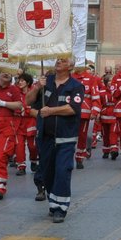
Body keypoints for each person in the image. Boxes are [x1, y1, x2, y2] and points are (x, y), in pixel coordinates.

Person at [33, 55, 84, 221]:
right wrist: (36, 88)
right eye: (58, 59)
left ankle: (60, 209)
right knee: (47, 172)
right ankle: (53, 202)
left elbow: (73, 109)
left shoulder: (76, 86)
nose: (59, 61)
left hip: (65, 139)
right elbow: (28, 101)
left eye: (63, 60)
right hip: (45, 137)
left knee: (62, 171)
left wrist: (51, 111)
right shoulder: (45, 81)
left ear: (70, 66)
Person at [0, 71, 25, 200]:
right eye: (3, 71)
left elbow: (19, 105)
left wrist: (3, 103)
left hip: (6, 126)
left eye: (8, 72)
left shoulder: (13, 89)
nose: (6, 74)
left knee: (0, 155)